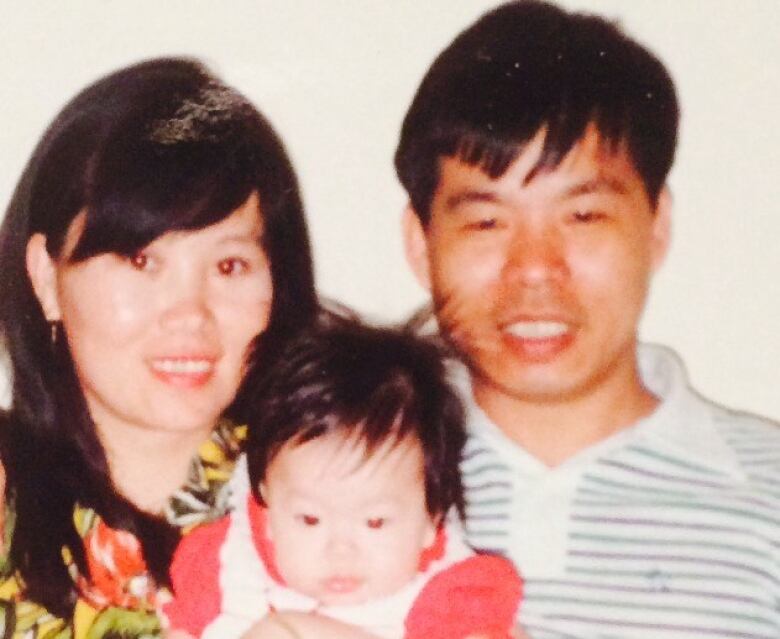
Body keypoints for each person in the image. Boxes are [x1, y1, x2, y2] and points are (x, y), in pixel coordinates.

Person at [396, 1, 780, 637]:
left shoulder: (768, 495)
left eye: (583, 216)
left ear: (657, 227)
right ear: (421, 245)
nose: (535, 269)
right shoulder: (329, 469)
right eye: (487, 222)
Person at [0, 57, 325, 638]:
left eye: (229, 265)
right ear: (47, 279)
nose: (191, 314)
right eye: (141, 260)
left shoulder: (344, 479)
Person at [162, 319, 523, 639]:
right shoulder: (227, 567)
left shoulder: (454, 598)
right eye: (309, 519)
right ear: (267, 510)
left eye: (375, 522)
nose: (340, 550)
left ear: (432, 517)